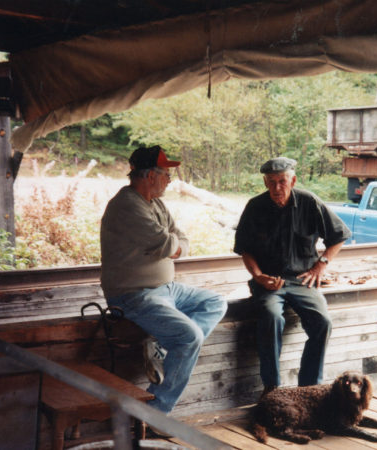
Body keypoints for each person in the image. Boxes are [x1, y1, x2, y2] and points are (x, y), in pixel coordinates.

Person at [100, 145, 227, 414]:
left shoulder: (155, 203)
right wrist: (172, 244)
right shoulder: (126, 205)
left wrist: (173, 244)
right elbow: (168, 243)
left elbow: (183, 242)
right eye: (166, 174)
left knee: (215, 303)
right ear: (149, 176)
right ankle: (157, 411)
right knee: (188, 336)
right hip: (134, 295)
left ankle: (162, 348)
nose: (169, 180)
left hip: (166, 289)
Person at [234, 156, 351, 393]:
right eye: (272, 182)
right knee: (271, 317)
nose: (277, 188)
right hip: (269, 282)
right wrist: (258, 276)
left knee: (322, 323)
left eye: (282, 181)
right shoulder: (255, 207)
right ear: (265, 183)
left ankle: (308, 388)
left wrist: (321, 265)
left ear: (293, 180)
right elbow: (245, 249)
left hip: (301, 280)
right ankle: (272, 388)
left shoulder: (309, 202)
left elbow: (338, 236)